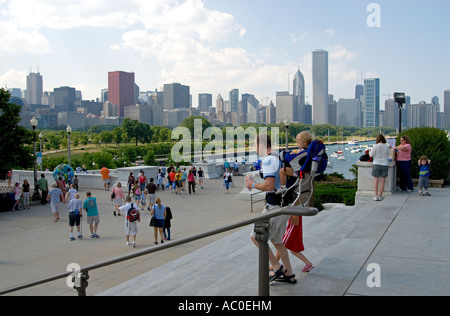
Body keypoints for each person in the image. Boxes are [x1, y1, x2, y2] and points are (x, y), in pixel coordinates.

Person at [246, 134, 296, 284]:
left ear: (260, 146)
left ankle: (277, 267)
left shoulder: (268, 160)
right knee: (277, 240)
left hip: (274, 206)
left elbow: (269, 186)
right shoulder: (278, 158)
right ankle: (290, 274)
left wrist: (252, 185)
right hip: (285, 205)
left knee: (256, 236)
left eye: (255, 146)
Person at [370, 134, 391, 201]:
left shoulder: (375, 146)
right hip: (385, 164)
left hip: (376, 163)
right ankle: (380, 195)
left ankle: (376, 196)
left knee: (376, 180)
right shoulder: (387, 146)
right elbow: (388, 154)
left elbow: (371, 155)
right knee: (382, 180)